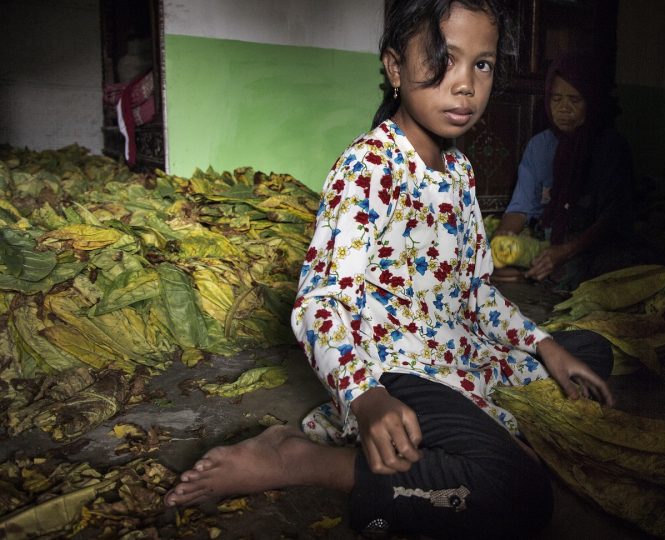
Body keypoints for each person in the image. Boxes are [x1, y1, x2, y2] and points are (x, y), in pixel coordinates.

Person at [163, 2, 614, 539]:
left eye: (483, 64)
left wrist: (544, 345)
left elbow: (476, 294)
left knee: (589, 353)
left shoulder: (460, 171)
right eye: (445, 59)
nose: (466, 85)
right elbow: (319, 304)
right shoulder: (368, 168)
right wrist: (367, 398)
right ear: (396, 68)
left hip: (458, 350)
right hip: (396, 369)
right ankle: (307, 460)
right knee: (520, 493)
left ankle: (460, 432)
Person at [491, 52, 635, 289]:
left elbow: (612, 219)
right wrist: (501, 245)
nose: (564, 109)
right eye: (556, 99)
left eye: (575, 100)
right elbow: (520, 207)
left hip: (587, 245)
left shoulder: (611, 147)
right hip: (548, 240)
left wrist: (566, 251)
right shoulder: (540, 146)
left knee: (602, 273)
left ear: (592, 101)